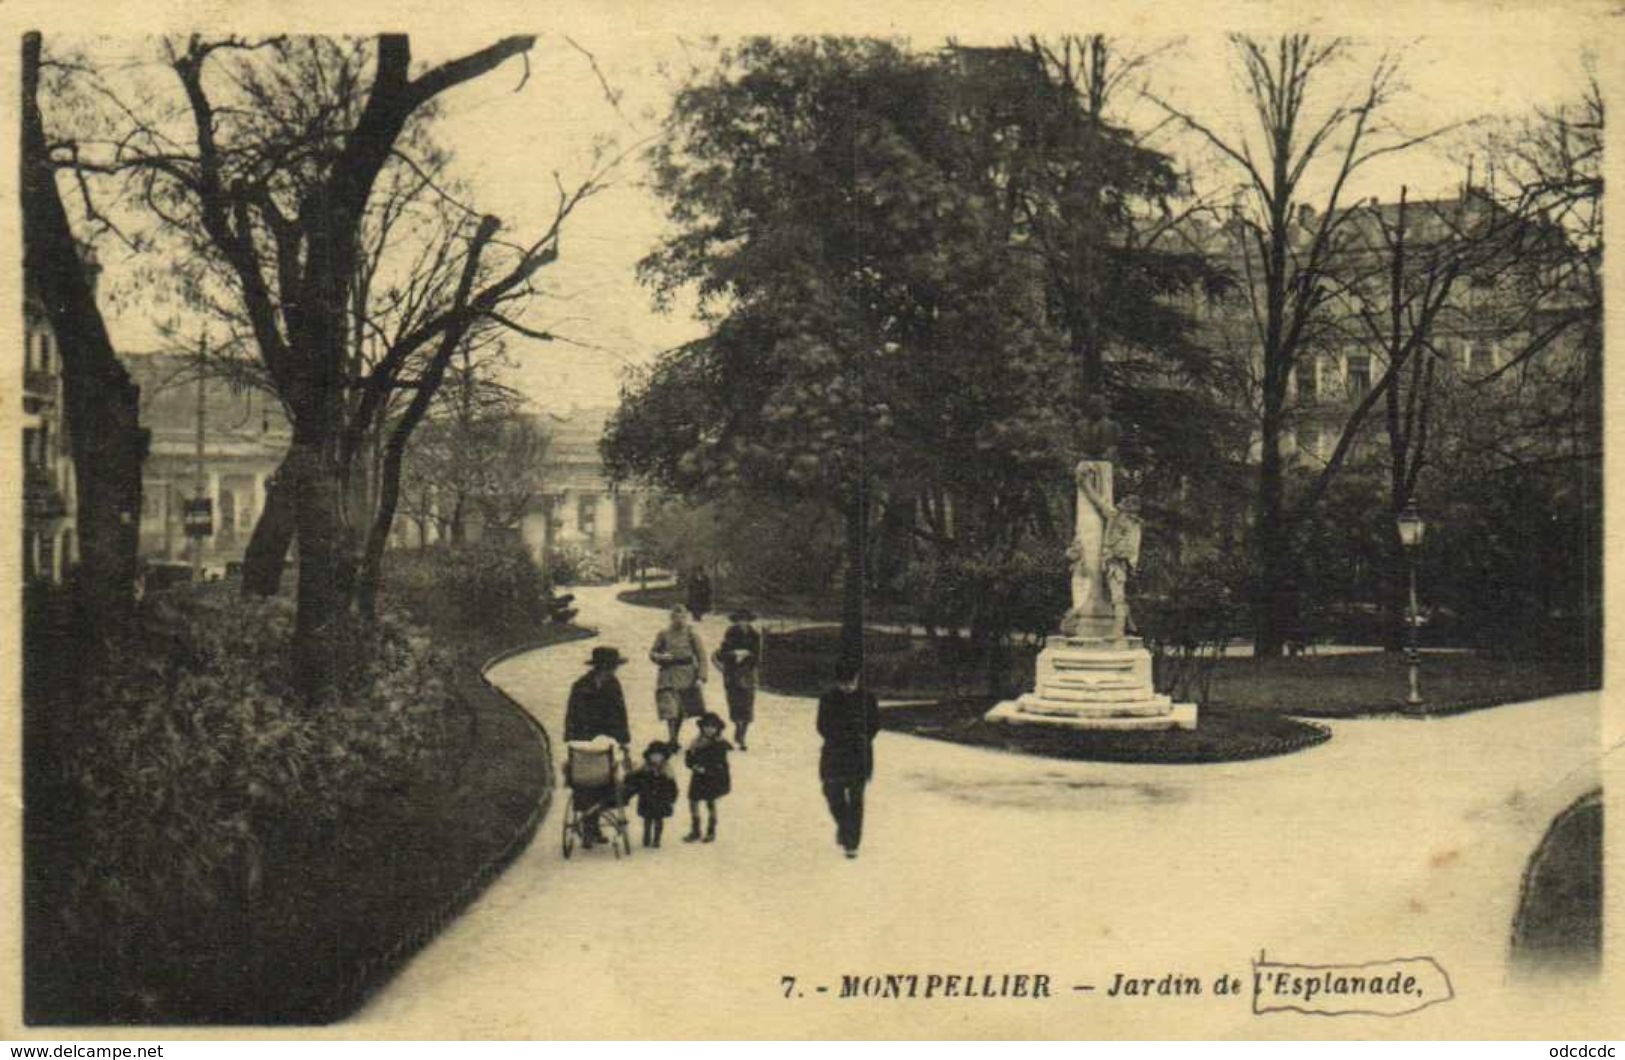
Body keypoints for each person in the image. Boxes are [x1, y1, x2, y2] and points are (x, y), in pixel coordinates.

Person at [563, 647, 632, 844]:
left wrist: (624, 740)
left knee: (606, 779)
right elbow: (572, 714)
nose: (613, 671)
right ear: (601, 667)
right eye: (610, 667)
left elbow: (620, 713)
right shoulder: (580, 686)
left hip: (607, 741)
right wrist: (572, 739)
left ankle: (592, 825)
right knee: (586, 781)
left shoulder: (613, 685)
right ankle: (589, 826)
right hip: (585, 740)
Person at [816, 661, 883, 859]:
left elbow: (875, 724)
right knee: (832, 792)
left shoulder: (867, 699)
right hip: (834, 753)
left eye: (851, 683)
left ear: (857, 680)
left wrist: (861, 737)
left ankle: (852, 842)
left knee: (856, 799)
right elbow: (821, 725)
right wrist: (837, 736)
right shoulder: (828, 698)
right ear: (837, 682)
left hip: (858, 754)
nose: (847, 687)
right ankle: (845, 826)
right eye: (843, 683)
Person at [650, 605, 708, 746]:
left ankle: (675, 736)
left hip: (687, 675)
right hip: (668, 674)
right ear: (671, 618)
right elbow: (652, 653)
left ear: (686, 618)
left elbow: (701, 656)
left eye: (682, 617)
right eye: (676, 617)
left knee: (681, 710)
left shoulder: (691, 634)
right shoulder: (663, 634)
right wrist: (661, 656)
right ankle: (672, 740)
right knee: (671, 710)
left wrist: (701, 676)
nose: (679, 620)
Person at [714, 609, 763, 750]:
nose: (743, 622)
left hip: (748, 673)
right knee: (735, 703)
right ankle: (738, 725)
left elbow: (759, 655)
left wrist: (749, 656)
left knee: (748, 704)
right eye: (740, 620)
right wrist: (734, 654)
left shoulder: (755, 635)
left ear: (749, 621)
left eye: (745, 619)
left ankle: (742, 735)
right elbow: (722, 654)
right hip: (732, 674)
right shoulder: (730, 633)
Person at [683, 712, 733, 843]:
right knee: (693, 801)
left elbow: (720, 763)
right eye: (706, 726)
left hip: (713, 777)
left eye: (713, 726)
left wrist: (708, 769)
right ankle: (695, 829)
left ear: (718, 729)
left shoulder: (720, 744)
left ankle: (711, 830)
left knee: (710, 802)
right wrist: (693, 765)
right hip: (698, 777)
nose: (709, 729)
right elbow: (688, 759)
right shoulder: (695, 742)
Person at [624, 741, 679, 848]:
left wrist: (672, 798)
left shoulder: (667, 771)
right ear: (648, 756)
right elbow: (632, 780)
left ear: (663, 757)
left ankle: (657, 839)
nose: (656, 758)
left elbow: (673, 786)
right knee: (647, 820)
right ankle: (646, 837)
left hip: (661, 800)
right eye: (653, 755)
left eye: (659, 756)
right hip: (647, 799)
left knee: (659, 820)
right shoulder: (644, 769)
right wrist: (630, 775)